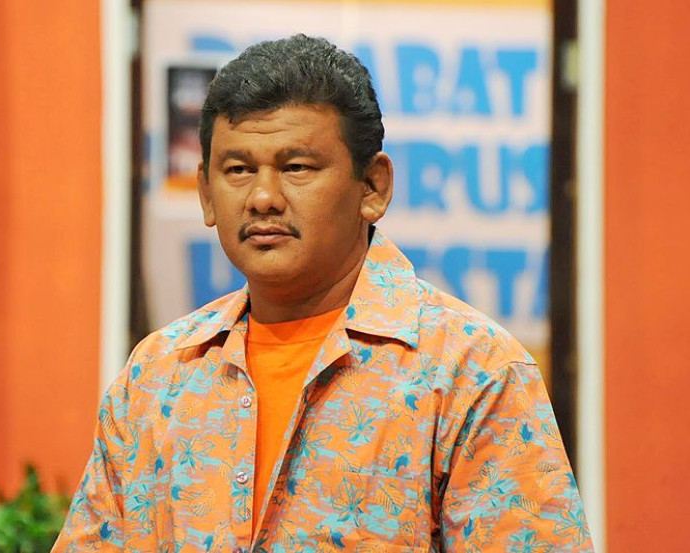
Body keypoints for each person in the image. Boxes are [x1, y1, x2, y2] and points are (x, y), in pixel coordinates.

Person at [53, 34, 593, 552]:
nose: (263, 197)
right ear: (206, 194)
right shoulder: (157, 375)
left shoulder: (471, 372)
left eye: (296, 167)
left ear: (373, 187)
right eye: (238, 169)